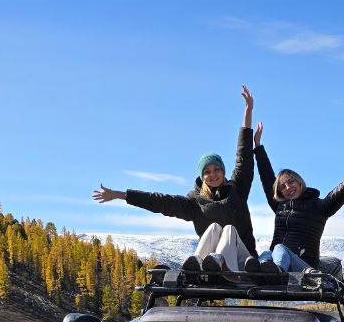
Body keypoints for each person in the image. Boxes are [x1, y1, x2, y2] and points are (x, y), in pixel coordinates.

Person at [92, 86, 273, 274]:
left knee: (227, 230)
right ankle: (195, 268)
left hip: (243, 263)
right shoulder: (195, 201)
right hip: (212, 265)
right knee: (213, 229)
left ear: (223, 171)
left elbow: (243, 155)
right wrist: (120, 195)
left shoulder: (237, 189)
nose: (213, 174)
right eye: (207, 171)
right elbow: (159, 201)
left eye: (217, 169)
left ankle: (223, 267)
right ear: (202, 177)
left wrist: (248, 111)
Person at [253, 122, 344, 274]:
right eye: (282, 186)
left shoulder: (319, 207)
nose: (288, 187)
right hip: (279, 260)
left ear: (299, 182)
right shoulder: (280, 207)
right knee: (267, 254)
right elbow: (267, 178)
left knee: (279, 248)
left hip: (305, 267)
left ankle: (277, 273)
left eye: (291, 181)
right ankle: (263, 273)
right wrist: (258, 145)